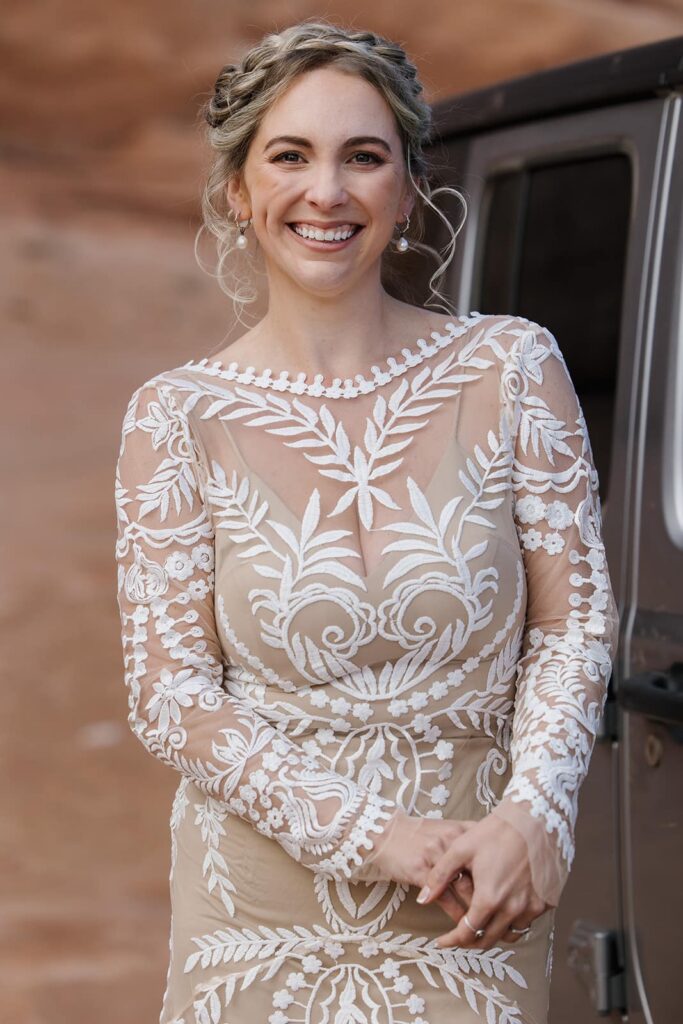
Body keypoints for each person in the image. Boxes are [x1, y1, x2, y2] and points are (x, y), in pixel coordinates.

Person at [114, 19, 620, 1024]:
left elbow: (571, 625)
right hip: (254, 921)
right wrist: (376, 836)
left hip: (474, 906)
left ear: (407, 183)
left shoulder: (511, 368)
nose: (327, 192)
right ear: (237, 191)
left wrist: (535, 814)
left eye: (363, 156)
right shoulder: (175, 415)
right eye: (289, 156)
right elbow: (172, 693)